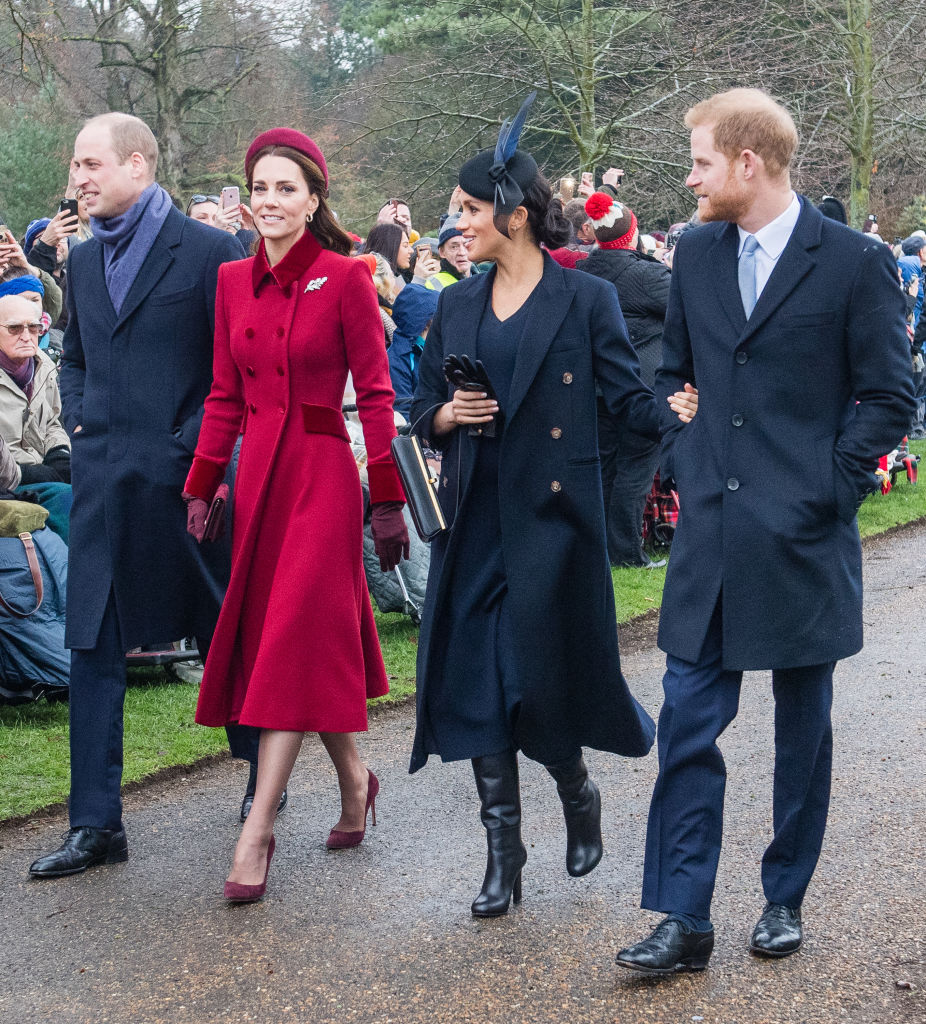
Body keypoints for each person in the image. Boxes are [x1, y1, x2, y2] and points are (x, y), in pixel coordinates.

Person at [616, 88, 914, 975]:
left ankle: (784, 895)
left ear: (748, 162)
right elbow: (674, 374)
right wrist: (685, 446)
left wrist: (827, 487)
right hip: (708, 532)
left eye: (701, 159)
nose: (690, 176)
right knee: (688, 724)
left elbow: (892, 396)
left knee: (801, 730)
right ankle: (683, 915)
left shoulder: (855, 262)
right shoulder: (697, 255)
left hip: (802, 537)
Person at [409, 95, 659, 918]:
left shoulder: (586, 300)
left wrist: (685, 419)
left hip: (554, 521)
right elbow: (421, 409)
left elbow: (626, 398)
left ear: (514, 215)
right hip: (476, 514)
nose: (458, 224)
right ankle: (503, 852)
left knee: (541, 680)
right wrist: (450, 415)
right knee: (482, 681)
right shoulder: (454, 303)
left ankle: (576, 791)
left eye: (471, 209)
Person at [28, 112, 261, 880]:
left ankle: (264, 781)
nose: (78, 178)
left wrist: (187, 445)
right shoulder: (85, 263)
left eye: (91, 164)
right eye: (74, 165)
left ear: (138, 163)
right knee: (91, 645)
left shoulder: (208, 251)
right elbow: (79, 358)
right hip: (101, 482)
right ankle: (96, 825)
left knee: (221, 629)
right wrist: (86, 421)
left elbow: (237, 369)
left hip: (191, 486)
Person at [182, 127, 408, 903]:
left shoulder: (346, 277)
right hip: (258, 488)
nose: (269, 200)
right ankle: (355, 784)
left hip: (322, 479)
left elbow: (376, 396)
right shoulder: (230, 282)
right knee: (302, 645)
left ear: (313, 201)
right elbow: (223, 394)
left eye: (286, 188)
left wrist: (386, 497)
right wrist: (204, 482)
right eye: (260, 187)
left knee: (284, 646)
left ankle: (259, 829)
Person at [578, 192, 671, 567]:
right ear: (631, 236)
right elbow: (688, 309)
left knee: (604, 471)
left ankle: (602, 550)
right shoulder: (647, 275)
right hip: (640, 388)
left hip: (596, 388)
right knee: (636, 470)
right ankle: (628, 553)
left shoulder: (582, 272)